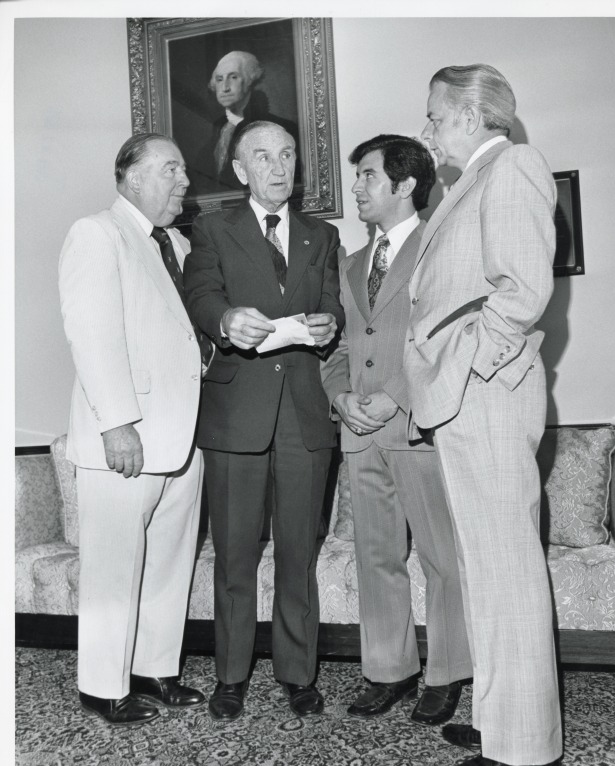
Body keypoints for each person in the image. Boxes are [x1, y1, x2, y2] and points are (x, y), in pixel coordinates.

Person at [404, 64, 563, 766]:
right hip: (471, 400)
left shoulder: (513, 166)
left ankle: (525, 755)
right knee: (488, 570)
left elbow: (523, 289)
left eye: (433, 115)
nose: (426, 127)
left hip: (487, 396)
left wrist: (468, 362)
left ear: (469, 115)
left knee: (507, 571)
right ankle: (505, 722)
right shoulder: (467, 181)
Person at [184, 120, 344, 721]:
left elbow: (331, 301)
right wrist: (225, 320)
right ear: (241, 170)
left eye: (288, 155)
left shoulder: (320, 235)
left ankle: (298, 674)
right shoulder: (212, 228)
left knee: (298, 553)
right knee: (234, 555)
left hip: (304, 418)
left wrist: (329, 323)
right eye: (264, 157)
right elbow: (200, 292)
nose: (279, 167)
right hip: (235, 418)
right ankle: (230, 675)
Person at [58, 132, 210, 726]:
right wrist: (117, 425)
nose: (184, 182)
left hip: (181, 438)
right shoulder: (97, 233)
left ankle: (153, 669)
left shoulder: (173, 242)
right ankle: (101, 686)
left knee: (169, 564)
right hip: (127, 438)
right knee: (114, 567)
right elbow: (92, 334)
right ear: (130, 175)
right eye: (171, 169)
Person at [320, 134, 472, 723]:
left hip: (418, 428)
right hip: (359, 433)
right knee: (375, 556)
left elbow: (448, 340)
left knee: (440, 556)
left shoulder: (441, 247)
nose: (356, 187)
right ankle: (389, 670)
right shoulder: (350, 265)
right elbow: (332, 351)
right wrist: (340, 399)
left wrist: (392, 399)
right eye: (357, 175)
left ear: (405, 186)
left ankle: (448, 673)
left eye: (367, 176)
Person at [189, 51, 299, 194]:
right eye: (219, 79)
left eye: (233, 77)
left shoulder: (281, 129)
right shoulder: (216, 132)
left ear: (250, 81)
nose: (225, 87)